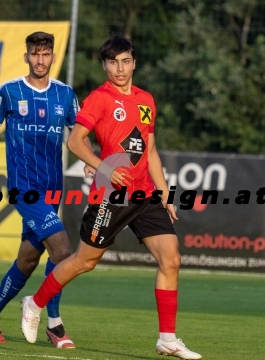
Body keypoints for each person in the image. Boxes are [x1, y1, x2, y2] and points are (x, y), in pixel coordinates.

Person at [19, 33, 202, 359]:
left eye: (126, 61)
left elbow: (151, 149)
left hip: (145, 194)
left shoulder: (146, 100)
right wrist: (103, 167)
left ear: (134, 62)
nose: (120, 68)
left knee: (171, 258)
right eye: (113, 62)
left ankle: (167, 338)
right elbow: (75, 142)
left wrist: (165, 192)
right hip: (112, 195)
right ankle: (34, 303)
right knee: (84, 261)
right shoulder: (99, 99)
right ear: (104, 65)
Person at [0, 31, 87, 348]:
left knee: (28, 260)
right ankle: (54, 323)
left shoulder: (66, 95)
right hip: (24, 187)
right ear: (26, 56)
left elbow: (79, 133)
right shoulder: (10, 91)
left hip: (53, 189)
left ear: (53, 57)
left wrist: (91, 162)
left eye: (45, 54)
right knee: (63, 249)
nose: (40, 60)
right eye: (34, 54)